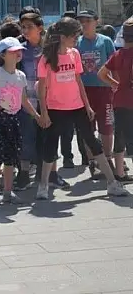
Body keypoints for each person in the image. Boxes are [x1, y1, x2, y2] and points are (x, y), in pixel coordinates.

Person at [36, 17, 128, 200]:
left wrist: (87, 106)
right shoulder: (46, 59)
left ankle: (112, 183)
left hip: (77, 106)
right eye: (73, 36)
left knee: (93, 143)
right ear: (62, 37)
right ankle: (43, 185)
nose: (76, 40)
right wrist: (44, 112)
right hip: (55, 108)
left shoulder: (74, 54)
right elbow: (41, 88)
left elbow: (78, 81)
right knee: (50, 146)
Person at [0, 37, 40, 205]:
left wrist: (36, 115)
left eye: (19, 51)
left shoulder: (20, 76)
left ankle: (8, 191)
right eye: (13, 51)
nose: (18, 54)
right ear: (3, 54)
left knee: (12, 157)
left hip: (13, 119)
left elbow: (24, 100)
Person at [70, 10, 116, 171]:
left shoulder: (106, 41)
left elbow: (114, 65)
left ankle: (108, 158)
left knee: (106, 125)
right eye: (81, 21)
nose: (84, 24)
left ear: (96, 21)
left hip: (104, 89)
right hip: (84, 91)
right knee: (88, 127)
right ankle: (93, 161)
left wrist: (116, 85)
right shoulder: (77, 44)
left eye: (88, 21)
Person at [98, 16, 133, 181]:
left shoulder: (118, 54)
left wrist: (115, 84)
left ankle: (119, 173)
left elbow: (101, 74)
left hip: (120, 100)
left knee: (120, 136)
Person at [15, 11, 45, 190]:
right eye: (23, 27)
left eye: (29, 27)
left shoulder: (49, 48)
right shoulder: (19, 49)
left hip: (47, 101)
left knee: (46, 138)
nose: (25, 30)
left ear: (40, 28)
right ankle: (24, 173)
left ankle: (46, 173)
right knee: (26, 138)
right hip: (25, 102)